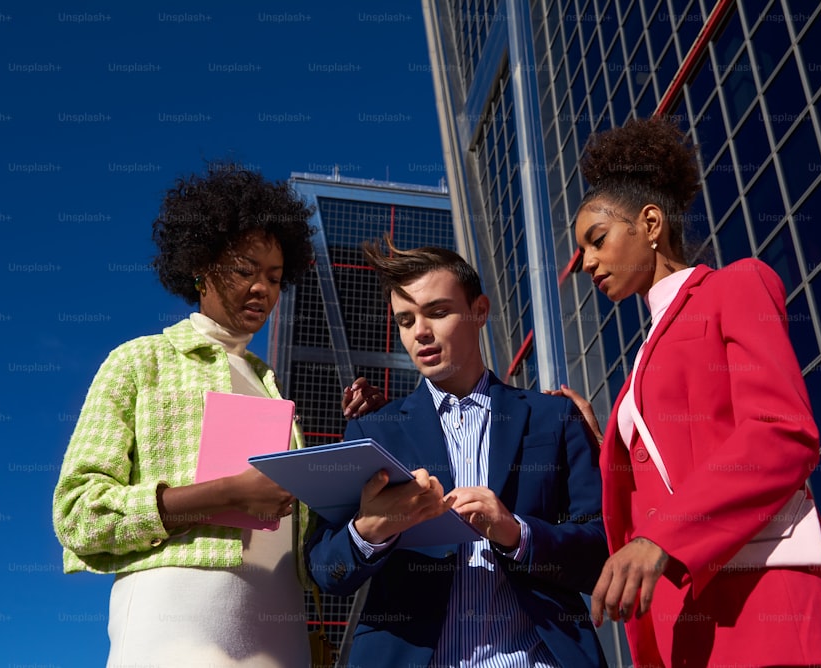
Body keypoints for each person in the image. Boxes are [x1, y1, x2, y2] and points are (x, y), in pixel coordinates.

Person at [561, 115, 821, 666]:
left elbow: (782, 433)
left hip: (766, 610)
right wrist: (603, 440)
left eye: (597, 240)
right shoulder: (638, 371)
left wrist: (662, 540)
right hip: (685, 626)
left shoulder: (734, 286)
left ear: (650, 223)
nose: (586, 263)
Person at [52, 162, 372, 667]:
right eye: (245, 270)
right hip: (175, 618)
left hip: (282, 625)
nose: (263, 289)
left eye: (273, 277)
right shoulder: (139, 361)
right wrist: (224, 494)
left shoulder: (273, 389)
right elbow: (78, 514)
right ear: (200, 265)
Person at [306, 239, 609, 667]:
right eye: (406, 320)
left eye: (438, 312)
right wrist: (371, 529)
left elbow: (603, 551)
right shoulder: (373, 429)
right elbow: (324, 570)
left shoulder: (553, 416)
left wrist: (517, 534)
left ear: (480, 311)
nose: (420, 332)